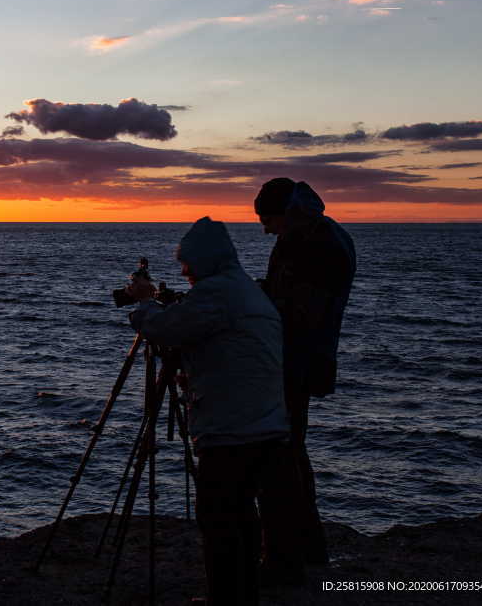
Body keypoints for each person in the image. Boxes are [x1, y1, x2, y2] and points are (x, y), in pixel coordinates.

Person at [126, 217, 288, 606]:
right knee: (241, 515)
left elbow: (163, 329)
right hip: (263, 421)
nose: (185, 275)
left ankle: (226, 598)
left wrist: (144, 300)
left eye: (188, 266)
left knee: (219, 518)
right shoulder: (242, 289)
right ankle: (240, 594)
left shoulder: (217, 293)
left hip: (234, 428)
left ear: (203, 262)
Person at [254, 178, 356, 571]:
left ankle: (285, 557)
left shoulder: (315, 244)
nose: (265, 230)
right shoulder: (316, 235)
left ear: (289, 213)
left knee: (279, 457)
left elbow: (298, 313)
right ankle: (305, 551)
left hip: (293, 362)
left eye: (268, 220)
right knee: (291, 452)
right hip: (299, 359)